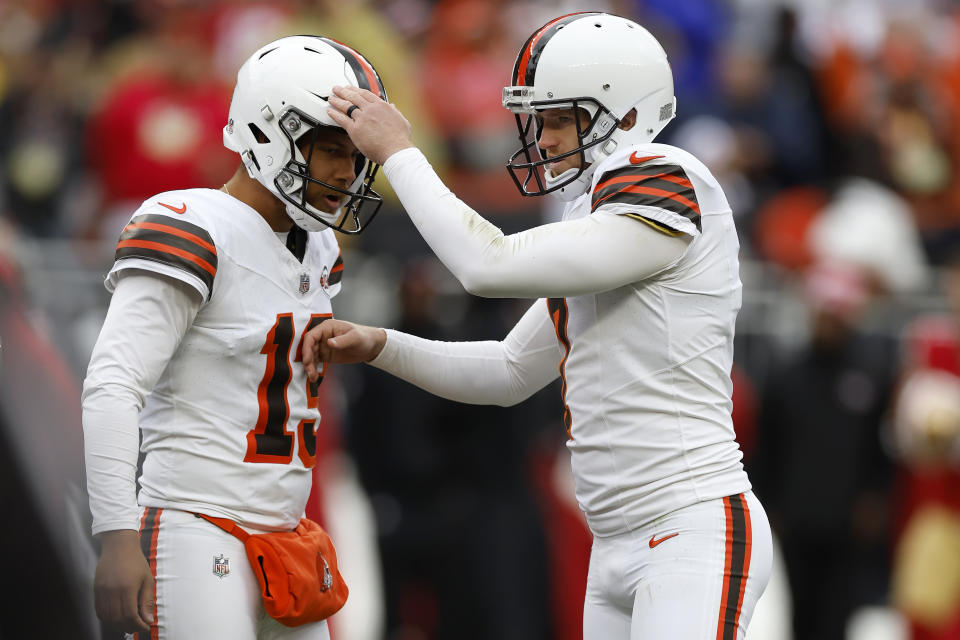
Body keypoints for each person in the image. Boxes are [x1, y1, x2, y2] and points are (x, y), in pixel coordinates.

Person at [303, 11, 772, 640]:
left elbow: (485, 264)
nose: (544, 139)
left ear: (626, 114)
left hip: (689, 525)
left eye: (559, 118)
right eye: (539, 121)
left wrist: (399, 153)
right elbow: (507, 370)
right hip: (616, 539)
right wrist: (383, 346)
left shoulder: (668, 176)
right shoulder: (604, 223)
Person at [81, 35, 387, 639]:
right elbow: (114, 384)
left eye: (354, 154)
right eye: (330, 150)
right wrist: (116, 533)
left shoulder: (319, 246)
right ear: (268, 134)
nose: (346, 172)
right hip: (197, 525)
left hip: (289, 533)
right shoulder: (191, 225)